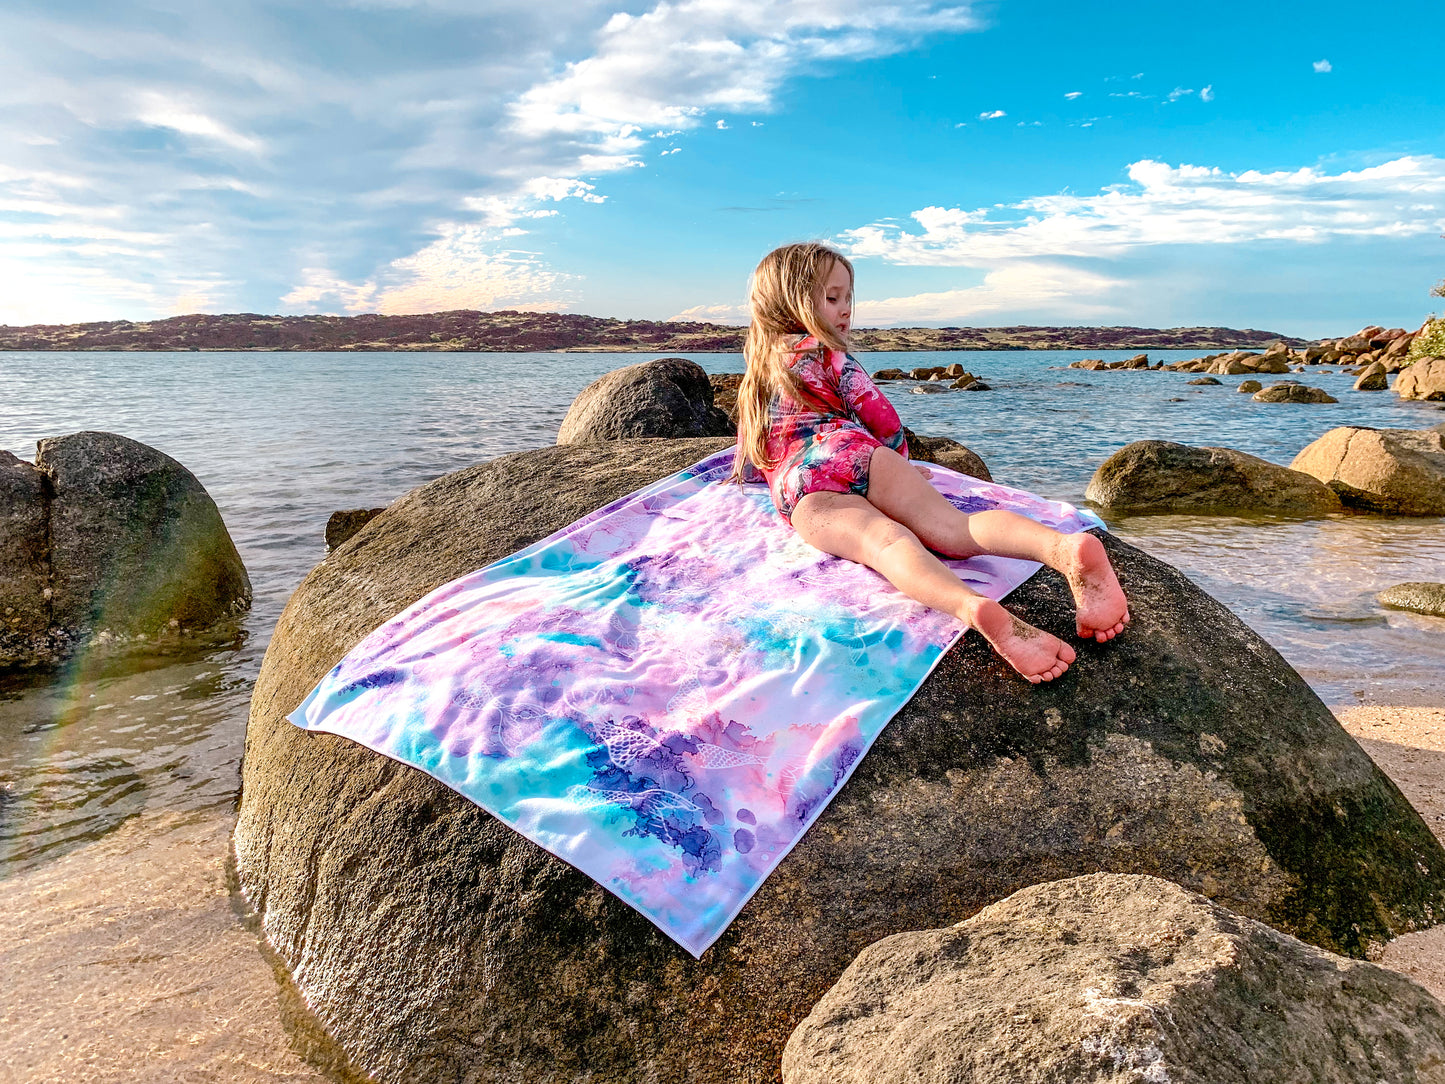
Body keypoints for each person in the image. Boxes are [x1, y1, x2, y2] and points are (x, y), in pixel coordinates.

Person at [726, 241, 1128, 683]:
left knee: (888, 546)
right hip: (854, 450)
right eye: (832, 297)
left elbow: (755, 450)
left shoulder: (756, 374)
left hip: (804, 488)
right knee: (955, 530)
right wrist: (896, 460)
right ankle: (1063, 549)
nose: (845, 310)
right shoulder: (826, 353)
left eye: (847, 298)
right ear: (790, 300)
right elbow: (877, 411)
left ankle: (971, 608)